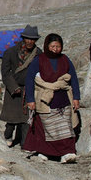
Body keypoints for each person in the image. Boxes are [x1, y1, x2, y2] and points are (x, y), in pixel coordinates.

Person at [22, 33, 80, 162]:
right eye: (53, 46)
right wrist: (30, 99)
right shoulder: (39, 60)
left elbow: (74, 78)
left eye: (58, 46)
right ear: (47, 46)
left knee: (65, 126)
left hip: (63, 97)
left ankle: (67, 152)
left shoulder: (65, 59)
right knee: (46, 127)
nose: (55, 49)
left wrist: (76, 97)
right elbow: (30, 80)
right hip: (45, 98)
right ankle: (45, 151)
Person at [0, 25, 41, 147]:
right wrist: (13, 87)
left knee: (26, 118)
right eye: (27, 38)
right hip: (14, 89)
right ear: (23, 38)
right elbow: (6, 73)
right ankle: (8, 134)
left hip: (29, 89)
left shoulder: (38, 54)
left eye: (32, 39)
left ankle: (25, 143)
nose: (30, 41)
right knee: (12, 118)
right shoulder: (10, 52)